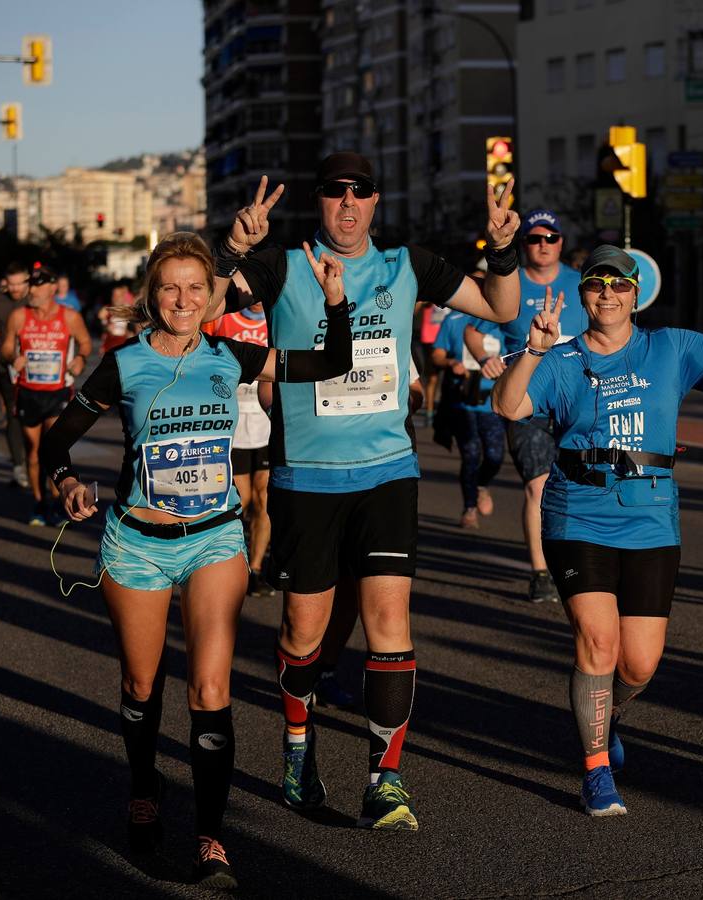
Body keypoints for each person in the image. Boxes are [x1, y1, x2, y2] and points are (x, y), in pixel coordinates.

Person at [203, 155, 521, 830]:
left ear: (376, 201)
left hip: (387, 473)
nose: (348, 203)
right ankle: (297, 747)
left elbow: (501, 306)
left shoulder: (409, 266)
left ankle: (386, 777)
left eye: (360, 192)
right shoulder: (282, 266)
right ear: (318, 202)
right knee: (303, 630)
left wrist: (502, 251)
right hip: (305, 479)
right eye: (334, 192)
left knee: (390, 623)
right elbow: (199, 311)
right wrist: (233, 248)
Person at [39, 231, 353, 889]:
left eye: (194, 287)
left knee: (210, 689)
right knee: (140, 687)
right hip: (136, 544)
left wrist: (336, 303)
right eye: (169, 288)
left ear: (211, 294)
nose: (183, 299)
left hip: (215, 538)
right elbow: (56, 448)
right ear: (152, 297)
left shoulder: (231, 355)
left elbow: (328, 365)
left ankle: (212, 838)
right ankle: (143, 783)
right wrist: (67, 485)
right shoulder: (122, 364)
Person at [491, 246, 703, 816]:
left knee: (638, 664)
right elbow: (508, 406)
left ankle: (605, 718)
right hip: (576, 512)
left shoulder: (672, 349)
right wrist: (533, 350)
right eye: (596, 284)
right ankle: (596, 770)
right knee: (598, 641)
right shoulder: (559, 359)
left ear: (636, 294)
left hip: (651, 517)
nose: (607, 293)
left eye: (619, 285)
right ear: (583, 294)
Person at [478, 208, 586, 602]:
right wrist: (485, 357)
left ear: (561, 242)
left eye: (550, 238)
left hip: (577, 403)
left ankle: (578, 560)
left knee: (580, 488)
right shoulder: (509, 284)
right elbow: (478, 332)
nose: (543, 245)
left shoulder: (581, 284)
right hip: (526, 404)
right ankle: (541, 573)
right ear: (524, 244)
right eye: (534, 239)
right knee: (538, 486)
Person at [0, 265, 92, 525]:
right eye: (32, 285)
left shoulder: (70, 317)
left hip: (58, 392)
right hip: (28, 392)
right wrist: (13, 357)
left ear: (53, 287)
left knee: (54, 448)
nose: (33, 290)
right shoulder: (19, 316)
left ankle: (57, 502)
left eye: (39, 285)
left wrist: (81, 360)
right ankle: (39, 503)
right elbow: (5, 347)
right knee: (34, 453)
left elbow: (85, 342)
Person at [208, 301, 275, 593]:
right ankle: (232, 562)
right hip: (233, 426)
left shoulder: (277, 319)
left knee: (264, 499)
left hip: (268, 424)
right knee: (242, 500)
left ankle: (256, 569)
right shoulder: (224, 318)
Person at [432, 307, 505, 528]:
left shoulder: (501, 320)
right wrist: (451, 363)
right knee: (471, 453)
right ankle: (469, 508)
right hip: (461, 401)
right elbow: (437, 355)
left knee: (495, 456)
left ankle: (481, 485)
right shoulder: (453, 319)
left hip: (493, 402)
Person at [0, 264, 30, 488]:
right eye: (12, 284)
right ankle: (19, 466)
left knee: (33, 415)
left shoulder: (34, 300)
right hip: (4, 365)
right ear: (5, 283)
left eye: (21, 283)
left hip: (32, 366)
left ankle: (34, 462)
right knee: (12, 413)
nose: (17, 288)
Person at [100, 280, 138, 354]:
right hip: (109, 345)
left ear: (123, 297)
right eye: (114, 295)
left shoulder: (128, 310)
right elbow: (99, 324)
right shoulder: (106, 309)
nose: (116, 298)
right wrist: (106, 327)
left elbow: (134, 327)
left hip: (124, 346)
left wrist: (131, 333)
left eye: (118, 296)